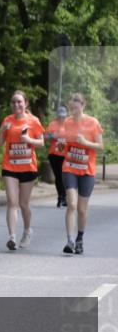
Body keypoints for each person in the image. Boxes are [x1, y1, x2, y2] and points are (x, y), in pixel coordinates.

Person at [56, 93, 105, 255]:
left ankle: (79, 238)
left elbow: (100, 146)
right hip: (70, 168)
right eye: (71, 107)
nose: (73, 110)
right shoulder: (67, 123)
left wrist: (85, 143)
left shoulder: (93, 123)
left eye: (76, 107)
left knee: (82, 210)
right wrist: (61, 145)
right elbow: (62, 147)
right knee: (71, 204)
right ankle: (69, 240)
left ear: (83, 106)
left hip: (87, 170)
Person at [0, 90, 44, 251]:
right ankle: (12, 237)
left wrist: (28, 140)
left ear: (26, 103)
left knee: (23, 204)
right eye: (13, 102)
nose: (16, 104)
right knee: (12, 201)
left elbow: (41, 143)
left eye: (19, 102)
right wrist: (3, 129)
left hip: (28, 167)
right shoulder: (7, 120)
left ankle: (27, 230)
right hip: (10, 166)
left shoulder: (33, 121)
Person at [44, 105, 69, 207]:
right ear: (57, 115)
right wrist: (52, 136)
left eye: (63, 116)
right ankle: (61, 197)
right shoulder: (53, 124)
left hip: (66, 155)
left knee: (65, 177)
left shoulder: (70, 124)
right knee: (58, 177)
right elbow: (44, 137)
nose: (61, 118)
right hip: (54, 155)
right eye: (60, 116)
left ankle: (66, 196)